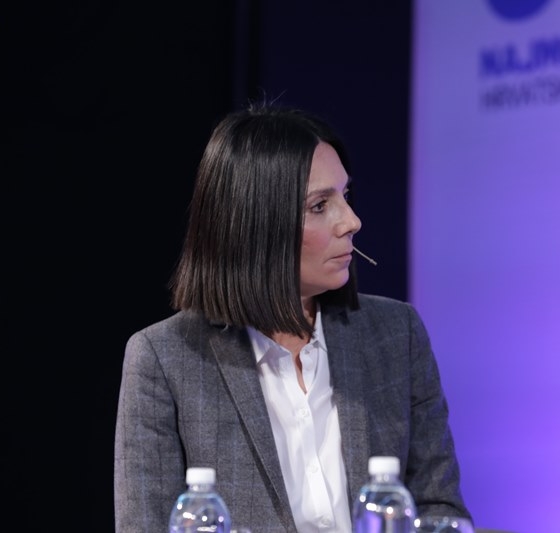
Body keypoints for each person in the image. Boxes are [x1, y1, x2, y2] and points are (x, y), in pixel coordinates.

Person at [114, 102, 473, 533]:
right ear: (255, 224)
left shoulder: (397, 334)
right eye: (320, 205)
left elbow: (439, 511)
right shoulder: (165, 358)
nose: (352, 221)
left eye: (345, 196)